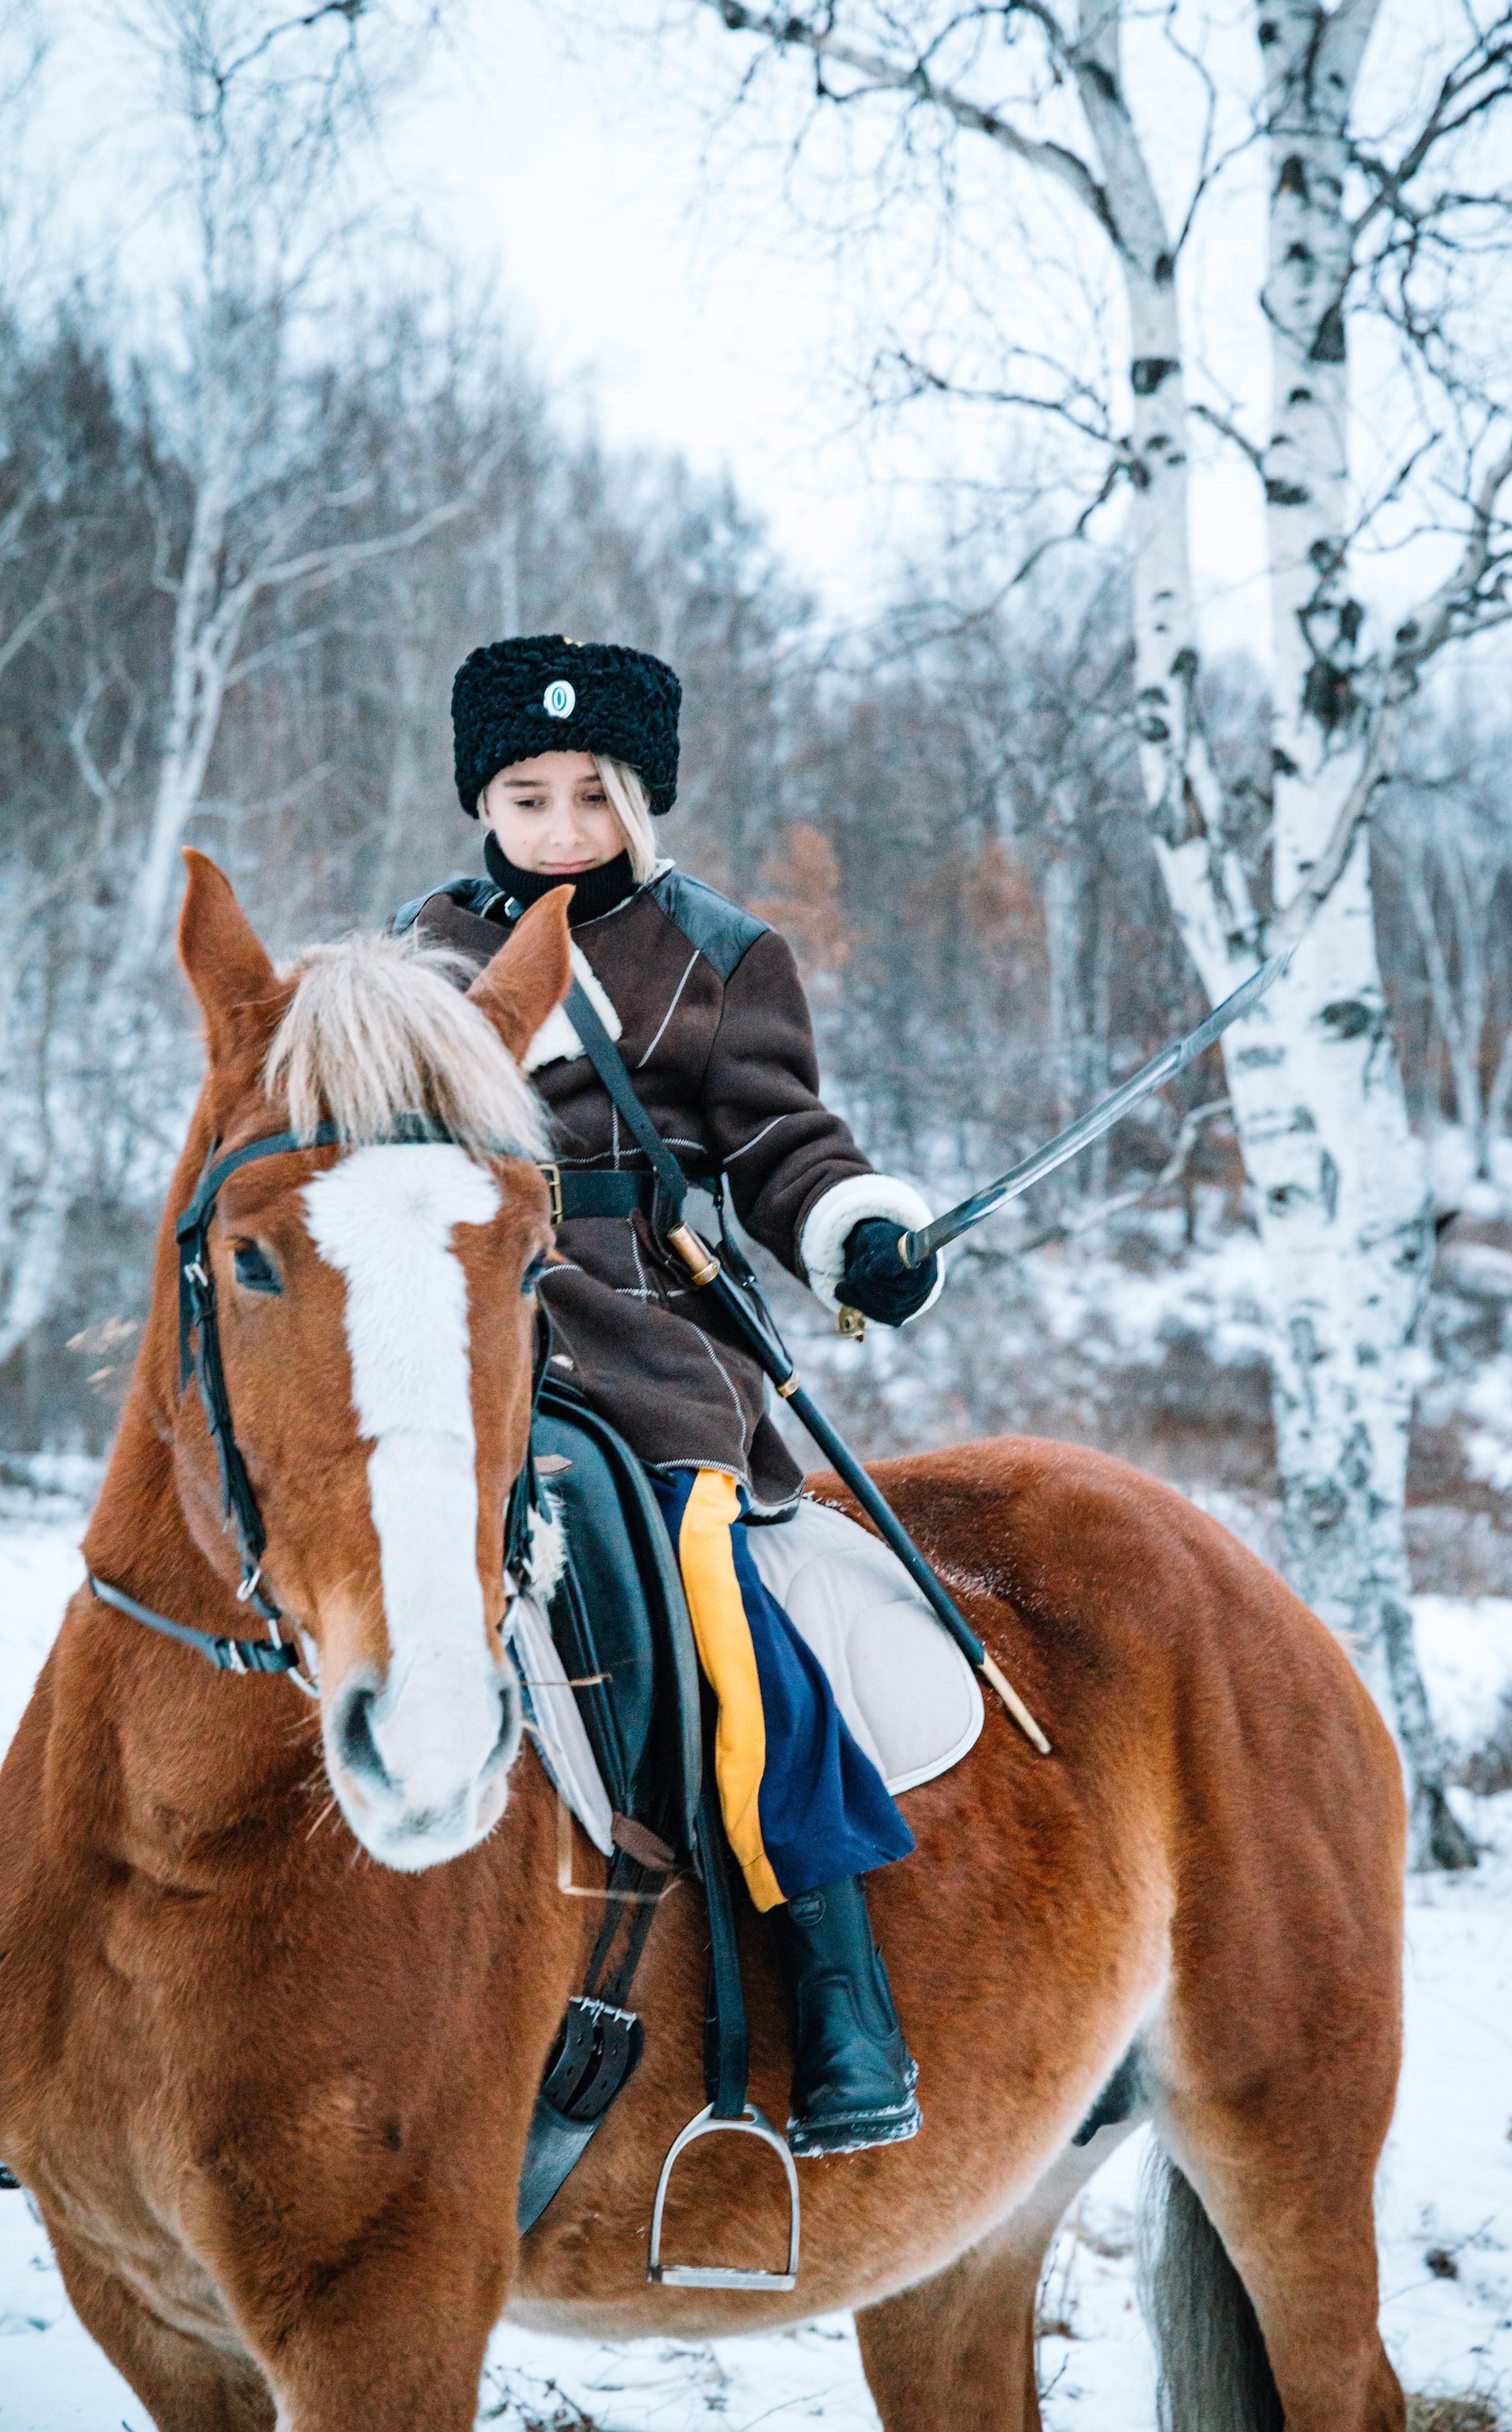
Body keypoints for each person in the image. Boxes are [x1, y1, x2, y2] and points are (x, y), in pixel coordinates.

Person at [394, 634, 945, 2158]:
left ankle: (838, 1992)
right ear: (480, 799)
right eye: (527, 794)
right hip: (452, 1333)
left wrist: (855, 1228)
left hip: (646, 1345)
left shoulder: (720, 951)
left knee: (714, 1592)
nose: (562, 829)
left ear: (643, 797)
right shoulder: (418, 942)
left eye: (595, 796)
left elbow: (780, 1146)